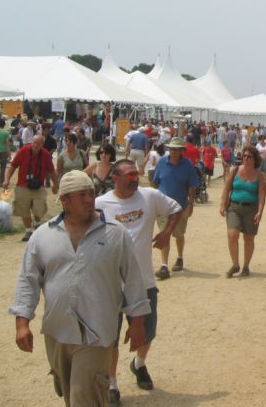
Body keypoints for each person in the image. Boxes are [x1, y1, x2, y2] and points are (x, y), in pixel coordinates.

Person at [9, 170, 150, 407]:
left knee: (85, 398)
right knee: (70, 395)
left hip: (97, 333)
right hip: (57, 332)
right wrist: (22, 323)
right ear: (65, 200)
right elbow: (28, 279)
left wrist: (137, 322)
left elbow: (134, 280)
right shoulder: (43, 236)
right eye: (82, 195)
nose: (89, 199)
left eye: (91, 194)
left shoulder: (115, 234)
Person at [95, 160, 183, 406]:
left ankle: (139, 364)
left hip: (143, 281)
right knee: (111, 338)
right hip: (111, 284)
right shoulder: (100, 204)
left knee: (148, 332)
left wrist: (166, 232)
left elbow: (176, 209)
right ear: (115, 178)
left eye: (136, 173)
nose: (135, 178)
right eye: (129, 175)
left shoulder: (150, 196)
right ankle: (112, 384)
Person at [152, 137, 199, 279]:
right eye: (172, 149)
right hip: (162, 206)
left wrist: (190, 204)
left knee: (179, 234)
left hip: (180, 206)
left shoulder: (188, 165)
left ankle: (179, 257)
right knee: (164, 233)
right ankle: (164, 265)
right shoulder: (161, 162)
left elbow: (192, 186)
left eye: (176, 149)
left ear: (181, 151)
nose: (173, 151)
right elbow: (155, 182)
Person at [219, 144, 266, 277]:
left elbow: (262, 195)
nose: (246, 158)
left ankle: (246, 266)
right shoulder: (235, 170)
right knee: (232, 235)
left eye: (249, 156)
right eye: (244, 155)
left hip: (251, 209)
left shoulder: (259, 175)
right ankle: (235, 265)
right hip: (234, 207)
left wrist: (260, 211)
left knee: (249, 238)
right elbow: (227, 188)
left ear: (255, 159)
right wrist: (222, 204)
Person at [3, 135, 58, 241]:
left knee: (39, 209)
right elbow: (13, 166)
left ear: (42, 145)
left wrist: (55, 185)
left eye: (38, 144)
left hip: (39, 187)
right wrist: (6, 180)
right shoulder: (23, 151)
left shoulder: (45, 155)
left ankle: (37, 222)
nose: (35, 145)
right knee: (24, 210)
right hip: (22, 185)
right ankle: (28, 230)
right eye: (34, 143)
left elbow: (52, 171)